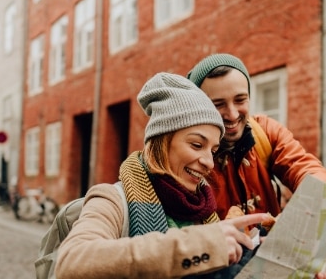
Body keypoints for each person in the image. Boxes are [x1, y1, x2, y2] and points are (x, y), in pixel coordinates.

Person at [56, 72, 271, 278]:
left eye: (213, 151)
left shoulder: (204, 212)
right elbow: (71, 262)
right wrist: (195, 246)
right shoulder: (112, 200)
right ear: (162, 142)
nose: (208, 162)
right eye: (197, 145)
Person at [187, 53, 326, 277]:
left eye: (240, 100)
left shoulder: (266, 132)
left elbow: (304, 166)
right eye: (218, 105)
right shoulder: (189, 156)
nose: (232, 114)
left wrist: (314, 204)